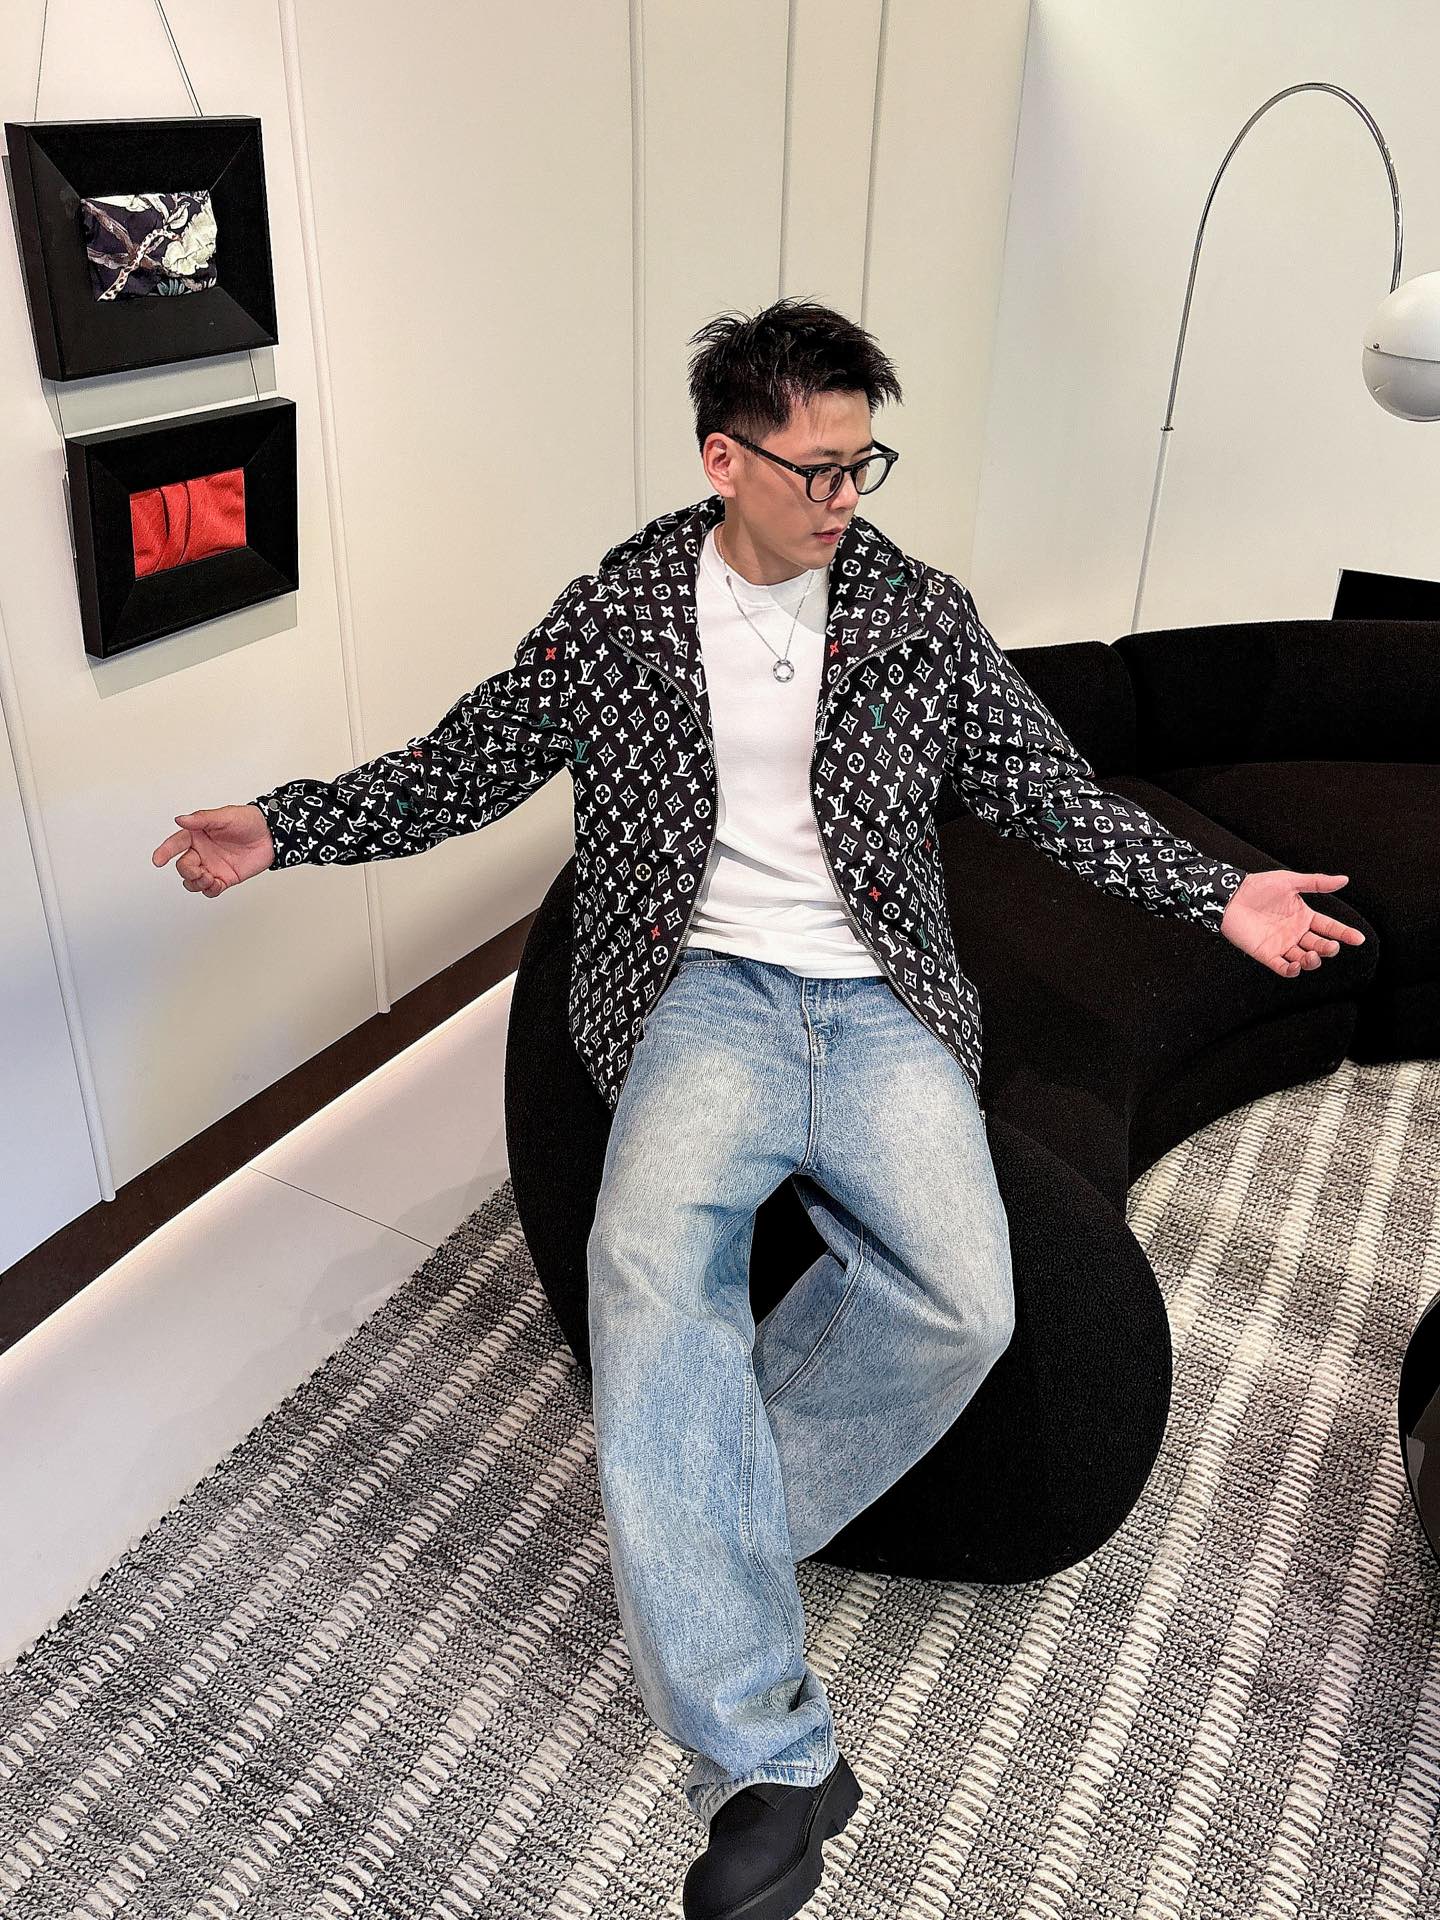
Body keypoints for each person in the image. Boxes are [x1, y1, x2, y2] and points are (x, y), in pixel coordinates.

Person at [153, 297, 1363, 1920]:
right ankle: (767, 1759)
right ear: (723, 459)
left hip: (878, 1003)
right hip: (699, 1001)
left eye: (865, 465)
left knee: (965, 1300)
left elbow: (1044, 790)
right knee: (649, 1276)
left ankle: (699, 1539)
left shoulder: (919, 617)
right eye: (815, 469)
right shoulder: (618, 616)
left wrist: (1216, 893)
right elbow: (465, 766)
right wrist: (285, 826)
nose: (845, 497)